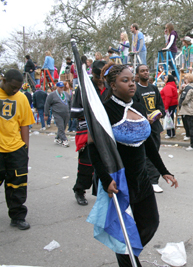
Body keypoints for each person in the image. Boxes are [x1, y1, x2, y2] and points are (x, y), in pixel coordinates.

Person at [89, 62, 178, 267]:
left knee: (150, 223)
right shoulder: (105, 111)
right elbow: (94, 149)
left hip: (141, 179)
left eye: (132, 80)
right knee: (123, 229)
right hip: (119, 181)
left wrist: (164, 171)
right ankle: (128, 259)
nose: (131, 84)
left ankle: (129, 254)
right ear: (113, 85)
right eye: (125, 80)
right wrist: (105, 179)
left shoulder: (138, 107)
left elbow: (148, 145)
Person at [0, 69, 35, 230]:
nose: (16, 90)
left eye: (19, 88)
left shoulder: (21, 98)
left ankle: (17, 216)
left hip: (16, 149)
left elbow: (24, 125)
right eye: (13, 87)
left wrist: (25, 149)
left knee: (18, 185)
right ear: (4, 80)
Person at [71, 60, 109, 205]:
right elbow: (74, 111)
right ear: (92, 73)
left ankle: (104, 191)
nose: (101, 78)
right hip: (89, 132)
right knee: (87, 164)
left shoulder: (109, 87)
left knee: (106, 164)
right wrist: (94, 111)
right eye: (98, 74)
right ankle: (79, 190)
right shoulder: (84, 88)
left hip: (106, 131)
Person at [133, 64, 165, 193]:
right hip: (142, 127)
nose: (146, 73)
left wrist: (159, 113)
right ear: (138, 74)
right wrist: (144, 118)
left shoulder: (154, 88)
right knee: (143, 155)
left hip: (155, 127)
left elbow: (160, 105)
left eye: (147, 70)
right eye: (142, 71)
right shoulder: (135, 90)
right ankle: (145, 179)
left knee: (154, 153)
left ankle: (153, 181)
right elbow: (133, 109)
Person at [178, 73, 193, 151]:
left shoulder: (188, 88)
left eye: (185, 79)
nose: (184, 80)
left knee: (192, 128)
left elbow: (184, 99)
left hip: (190, 110)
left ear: (188, 79)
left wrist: (180, 101)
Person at [44, 82, 71, 148]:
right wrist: (46, 114)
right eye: (60, 87)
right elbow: (47, 104)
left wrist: (70, 111)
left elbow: (70, 102)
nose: (62, 88)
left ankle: (57, 138)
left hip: (66, 114)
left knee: (63, 127)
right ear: (57, 87)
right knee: (61, 127)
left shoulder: (66, 94)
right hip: (57, 114)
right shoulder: (52, 95)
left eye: (63, 87)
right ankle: (64, 140)